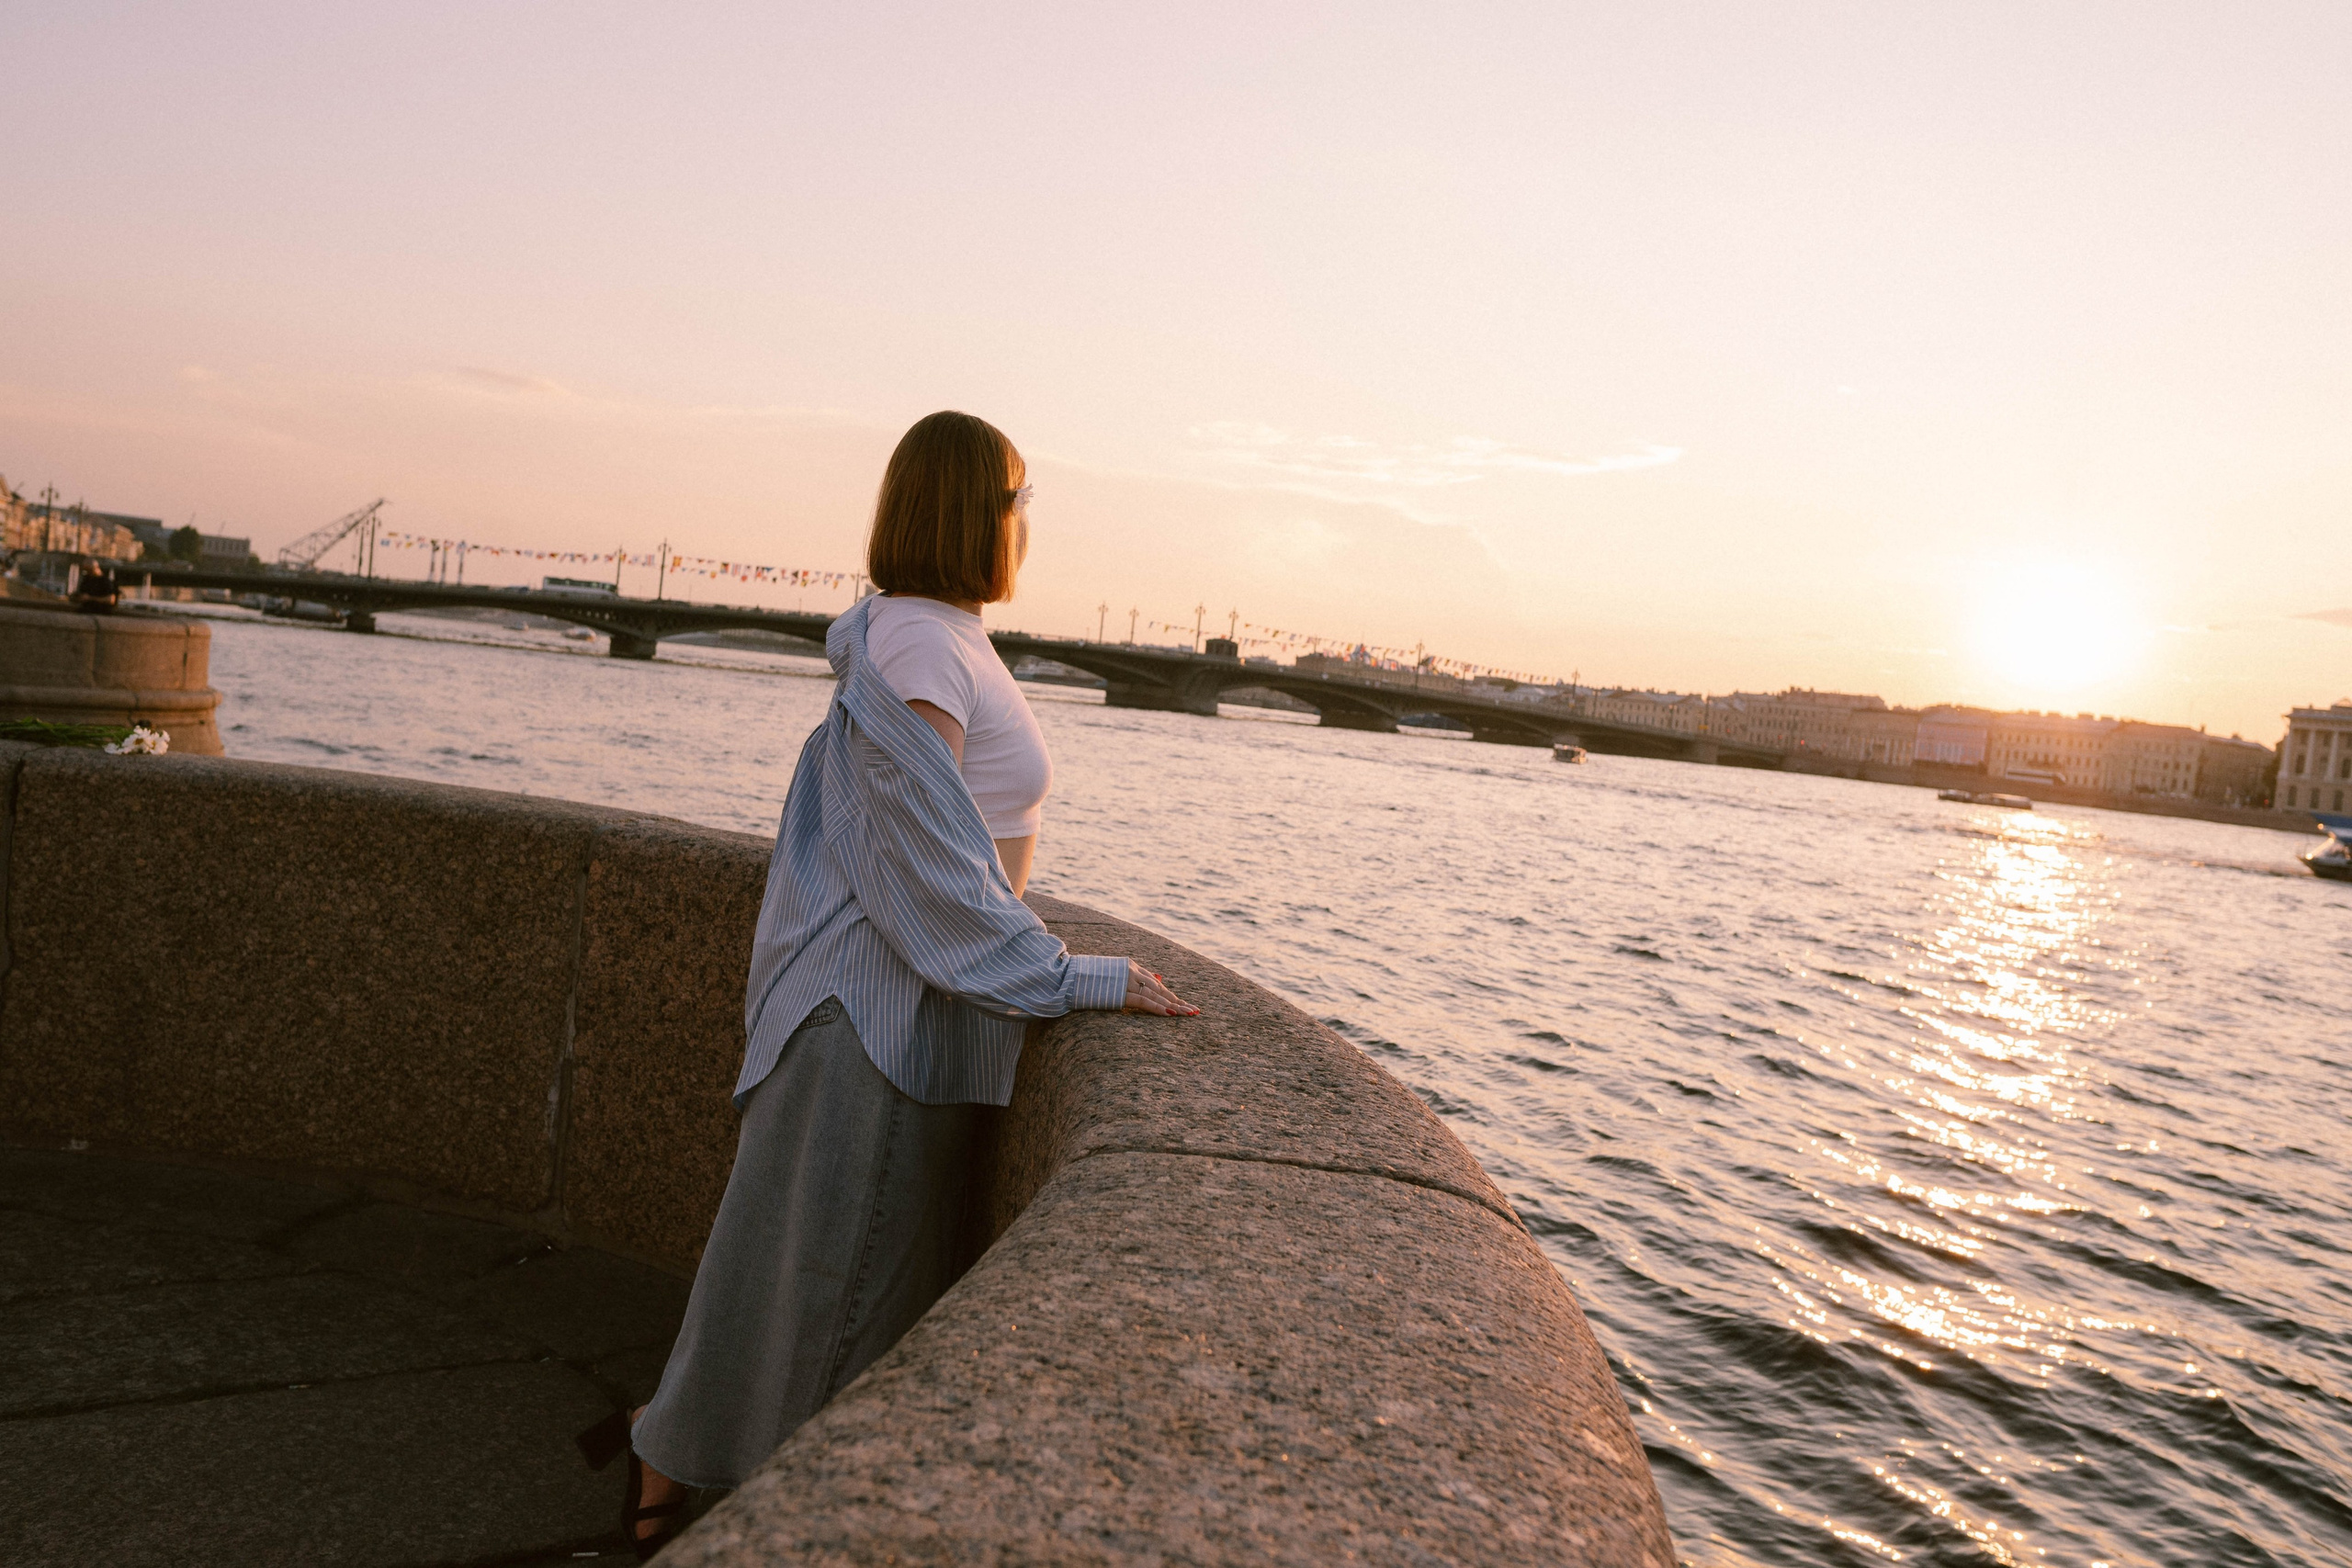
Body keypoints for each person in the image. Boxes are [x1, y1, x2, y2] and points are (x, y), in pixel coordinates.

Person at [575, 411, 1197, 1558]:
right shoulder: (919, 649)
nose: (1028, 521)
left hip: (878, 1008)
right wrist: (1073, 978)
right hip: (878, 1018)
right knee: (845, 1317)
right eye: (1017, 499)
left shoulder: (923, 635)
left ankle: (663, 1452)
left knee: (787, 1275)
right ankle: (750, 1515)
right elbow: (925, 866)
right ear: (974, 513)